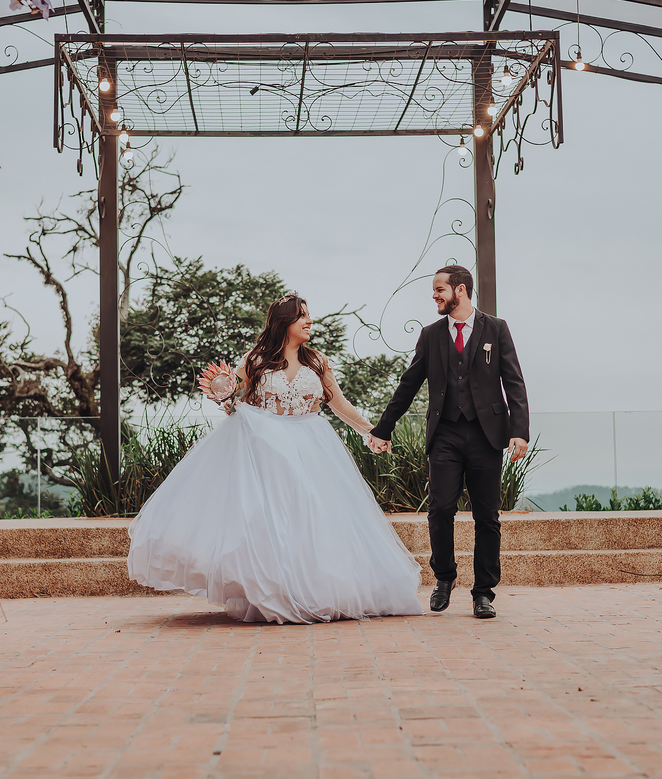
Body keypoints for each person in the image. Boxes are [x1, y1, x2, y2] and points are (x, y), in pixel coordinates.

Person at [127, 292, 424, 624]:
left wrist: (372, 431)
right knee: (273, 522)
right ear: (284, 323)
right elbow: (232, 403)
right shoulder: (254, 362)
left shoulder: (318, 362)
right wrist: (223, 395)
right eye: (302, 316)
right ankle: (276, 590)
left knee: (312, 516)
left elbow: (338, 403)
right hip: (266, 452)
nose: (309, 321)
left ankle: (315, 589)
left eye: (308, 315)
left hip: (312, 447)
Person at [367, 265, 529, 619]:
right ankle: (444, 578)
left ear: (460, 290)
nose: (435, 296)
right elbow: (408, 385)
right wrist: (383, 428)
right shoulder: (430, 335)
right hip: (445, 434)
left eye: (440, 289)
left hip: (487, 435)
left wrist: (519, 431)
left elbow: (513, 382)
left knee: (487, 517)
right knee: (440, 509)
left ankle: (484, 593)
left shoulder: (496, 329)